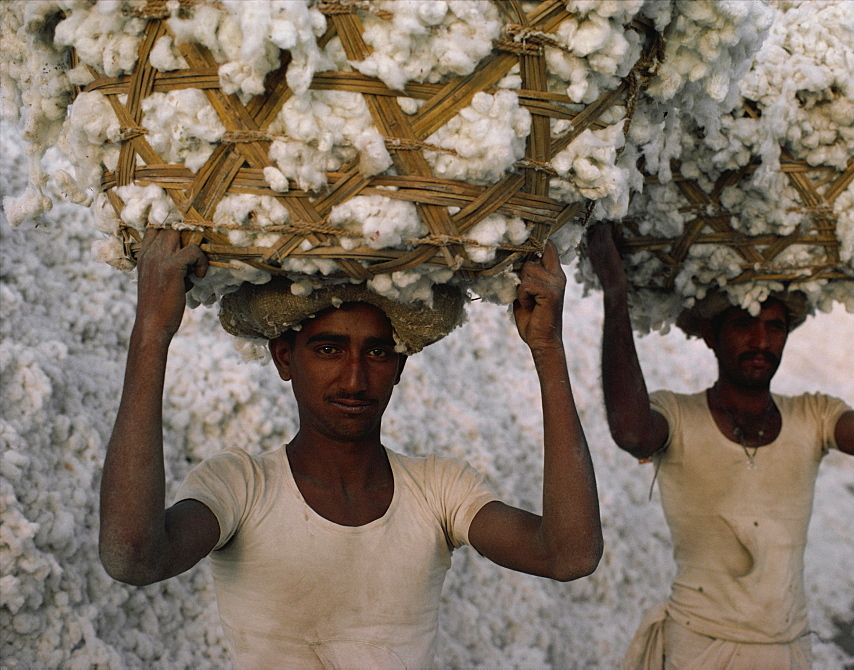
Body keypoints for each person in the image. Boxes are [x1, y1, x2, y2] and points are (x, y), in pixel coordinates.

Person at [99, 228, 602, 668]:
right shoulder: (241, 487)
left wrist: (547, 350)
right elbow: (134, 558)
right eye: (328, 349)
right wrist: (152, 330)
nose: (355, 377)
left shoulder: (437, 490)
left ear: (400, 367)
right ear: (284, 358)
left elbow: (569, 555)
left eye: (378, 352)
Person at [586, 223, 854, 669]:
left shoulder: (814, 416)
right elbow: (631, 432)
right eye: (744, 324)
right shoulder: (677, 416)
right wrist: (615, 294)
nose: (761, 341)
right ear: (712, 336)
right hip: (698, 648)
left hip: (785, 651)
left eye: (775, 327)